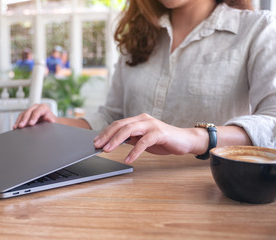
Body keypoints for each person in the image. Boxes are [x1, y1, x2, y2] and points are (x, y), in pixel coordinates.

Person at [14, 0, 276, 164]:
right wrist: (56, 123)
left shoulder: (258, 29)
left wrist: (191, 137)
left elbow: (273, 123)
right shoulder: (137, 40)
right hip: (129, 185)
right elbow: (111, 118)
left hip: (211, 192)